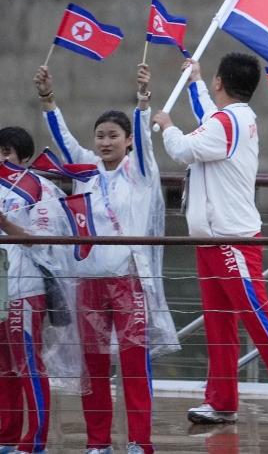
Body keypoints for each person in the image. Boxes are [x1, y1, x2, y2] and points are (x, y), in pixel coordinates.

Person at [152, 54, 268, 428]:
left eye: (209, 79)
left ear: (219, 81)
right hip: (211, 241)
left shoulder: (228, 123)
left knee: (259, 319)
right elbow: (207, 118)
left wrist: (166, 126)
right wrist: (194, 80)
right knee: (218, 324)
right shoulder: (230, 119)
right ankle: (222, 400)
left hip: (232, 241)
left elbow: (182, 149)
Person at [35, 64, 180, 454]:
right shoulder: (84, 171)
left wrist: (143, 101)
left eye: (113, 136)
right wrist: (49, 100)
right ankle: (97, 442)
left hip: (128, 282)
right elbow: (63, 141)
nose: (104, 142)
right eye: (99, 136)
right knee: (94, 368)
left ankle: (139, 442)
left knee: (134, 368)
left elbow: (149, 149)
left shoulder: (140, 174)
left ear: (128, 141)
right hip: (89, 283)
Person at [0, 127, 70, 454]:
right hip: (2, 290)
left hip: (25, 287)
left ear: (23, 158)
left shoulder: (39, 188)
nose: (1, 160)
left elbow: (42, 239)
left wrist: (6, 223)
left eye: (7, 154)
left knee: (27, 362)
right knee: (4, 367)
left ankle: (36, 439)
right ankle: (7, 434)